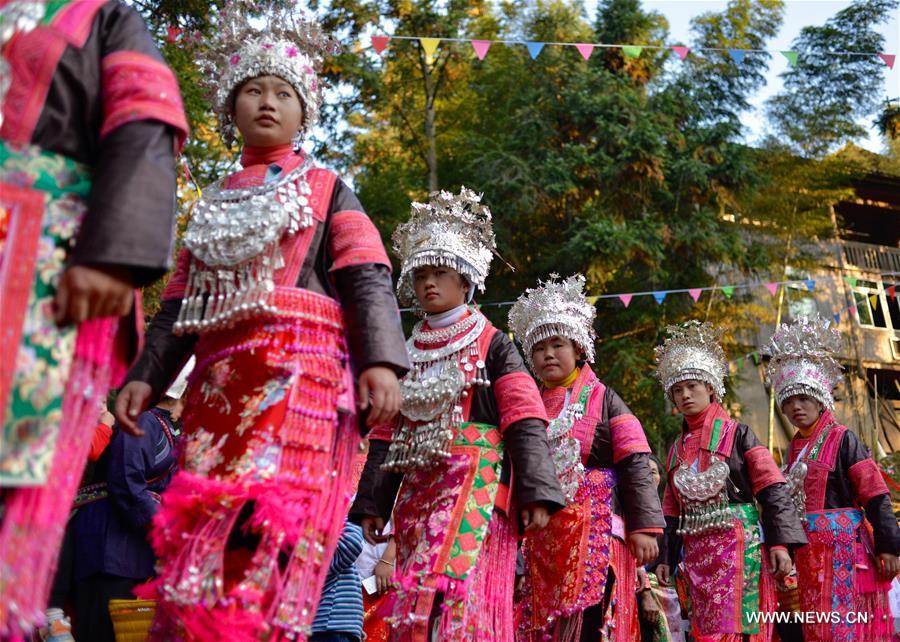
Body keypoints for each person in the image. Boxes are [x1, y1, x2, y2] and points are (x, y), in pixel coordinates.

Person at [113, 6, 409, 640]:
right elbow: (180, 308)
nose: (267, 102)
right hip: (220, 394)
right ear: (231, 108)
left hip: (301, 383)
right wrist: (145, 375)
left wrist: (381, 361)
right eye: (253, 90)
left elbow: (367, 279)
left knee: (281, 529)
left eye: (283, 92)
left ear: (305, 111)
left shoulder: (329, 189)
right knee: (213, 531)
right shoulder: (215, 201)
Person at [0, 1, 187, 637]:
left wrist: (114, 250)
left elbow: (145, 120)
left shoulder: (99, 17)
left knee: (15, 468)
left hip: (43, 270)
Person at [350, 187, 566, 641]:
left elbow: (524, 418)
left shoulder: (494, 345)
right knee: (416, 603)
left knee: (461, 599)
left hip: (478, 489)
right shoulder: (405, 353)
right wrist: (372, 504)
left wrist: (535, 491)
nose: (430, 283)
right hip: (419, 493)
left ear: (465, 281)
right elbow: (387, 438)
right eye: (422, 274)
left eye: (441, 273)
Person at [508, 274, 665, 641]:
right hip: (536, 541)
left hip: (594, 535)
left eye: (557, 344)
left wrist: (643, 528)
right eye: (539, 348)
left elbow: (635, 462)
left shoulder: (604, 399)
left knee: (592, 625)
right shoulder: (524, 403)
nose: (548, 354)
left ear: (578, 348)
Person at [654, 321, 806, 642]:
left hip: (739, 551)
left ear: (710, 387)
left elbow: (772, 489)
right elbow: (669, 510)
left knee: (734, 630)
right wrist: (666, 557)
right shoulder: (676, 450)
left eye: (692, 386)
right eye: (677, 390)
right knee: (703, 631)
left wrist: (780, 543)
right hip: (695, 556)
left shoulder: (739, 434)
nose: (684, 395)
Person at [762, 316, 900, 642]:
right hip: (809, 557)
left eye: (804, 399)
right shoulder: (794, 449)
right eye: (789, 401)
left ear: (821, 399)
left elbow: (875, 493)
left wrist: (889, 546)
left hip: (845, 555)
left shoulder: (842, 438)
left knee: (844, 630)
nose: (796, 407)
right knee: (816, 630)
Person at [69, 362, 189, 642]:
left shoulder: (171, 430)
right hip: (111, 545)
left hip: (137, 547)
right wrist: (162, 529)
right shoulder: (144, 420)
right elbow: (126, 479)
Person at [311, 520, 366, 642]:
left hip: (334, 625)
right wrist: (350, 515)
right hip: (331, 624)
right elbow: (352, 544)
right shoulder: (321, 548)